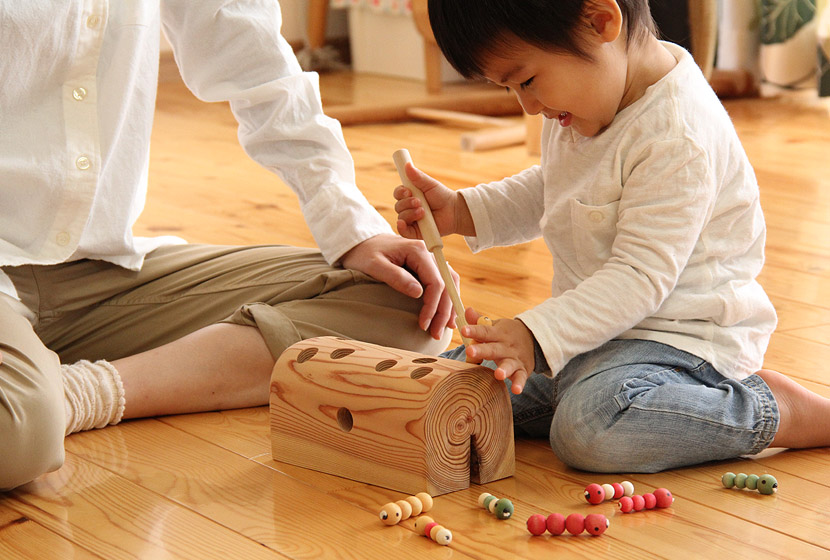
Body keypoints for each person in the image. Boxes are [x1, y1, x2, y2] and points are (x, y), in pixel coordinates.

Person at [0, 1, 454, 490]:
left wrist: (353, 228)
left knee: (409, 304)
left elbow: (253, 56)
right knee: (17, 435)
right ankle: (34, 396)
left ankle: (73, 391)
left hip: (102, 265)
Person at [394, 0, 830, 473]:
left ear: (599, 20)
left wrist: (535, 335)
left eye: (526, 81)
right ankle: (581, 388)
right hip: (593, 344)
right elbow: (554, 188)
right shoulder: (584, 100)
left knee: (591, 427)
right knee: (451, 381)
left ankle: (773, 409)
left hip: (682, 347)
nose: (528, 106)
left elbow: (638, 277)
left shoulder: (676, 135)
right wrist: (462, 211)